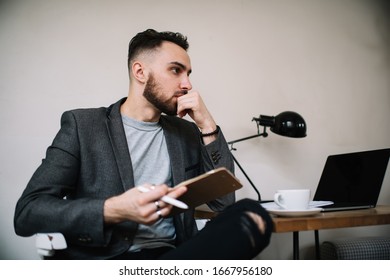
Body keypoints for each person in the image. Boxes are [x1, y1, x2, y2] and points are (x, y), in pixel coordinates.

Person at [14, 29, 273, 259]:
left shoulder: (186, 132)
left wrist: (207, 126)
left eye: (188, 73)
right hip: (108, 259)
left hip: (173, 256)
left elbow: (223, 203)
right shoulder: (83, 126)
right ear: (140, 72)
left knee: (251, 213)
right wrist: (114, 210)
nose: (187, 84)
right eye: (175, 70)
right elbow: (28, 212)